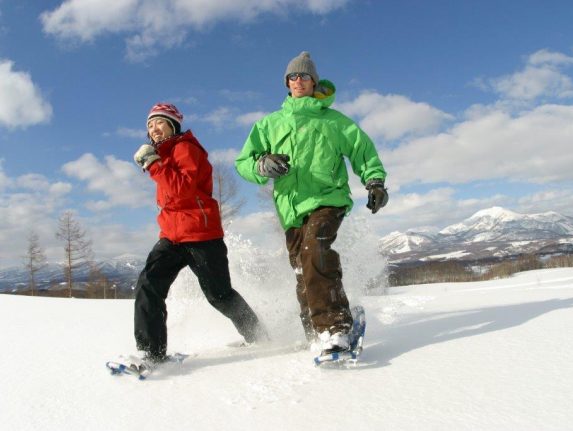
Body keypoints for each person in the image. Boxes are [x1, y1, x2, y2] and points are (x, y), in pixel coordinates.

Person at [235, 52, 388, 355]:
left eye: (304, 76)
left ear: (314, 81)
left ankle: (335, 328)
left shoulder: (333, 121)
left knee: (315, 251)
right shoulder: (270, 124)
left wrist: (374, 181)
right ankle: (315, 334)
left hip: (328, 199)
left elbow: (363, 151)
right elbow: (244, 162)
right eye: (293, 77)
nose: (298, 81)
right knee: (302, 270)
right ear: (286, 83)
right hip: (290, 208)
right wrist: (262, 165)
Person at [133, 102, 265, 362]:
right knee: (148, 285)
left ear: (173, 124)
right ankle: (151, 354)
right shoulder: (164, 156)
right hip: (171, 237)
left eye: (159, 122)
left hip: (202, 236)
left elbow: (182, 189)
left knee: (220, 296)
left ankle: (258, 335)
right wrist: (156, 163)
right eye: (150, 125)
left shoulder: (186, 149)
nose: (154, 129)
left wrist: (153, 164)